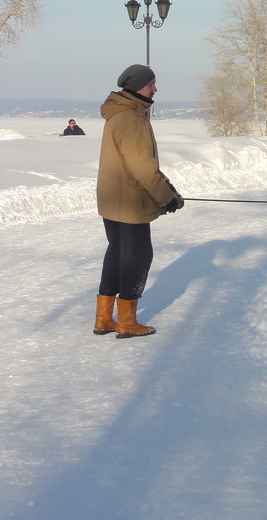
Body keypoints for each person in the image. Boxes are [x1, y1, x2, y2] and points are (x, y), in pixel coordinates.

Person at [93, 64, 184, 339]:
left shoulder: (120, 114)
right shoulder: (131, 119)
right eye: (151, 84)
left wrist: (169, 191)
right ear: (138, 87)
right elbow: (143, 168)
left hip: (113, 199)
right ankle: (127, 322)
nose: (155, 89)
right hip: (130, 201)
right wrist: (167, 197)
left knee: (118, 252)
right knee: (137, 256)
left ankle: (104, 318)